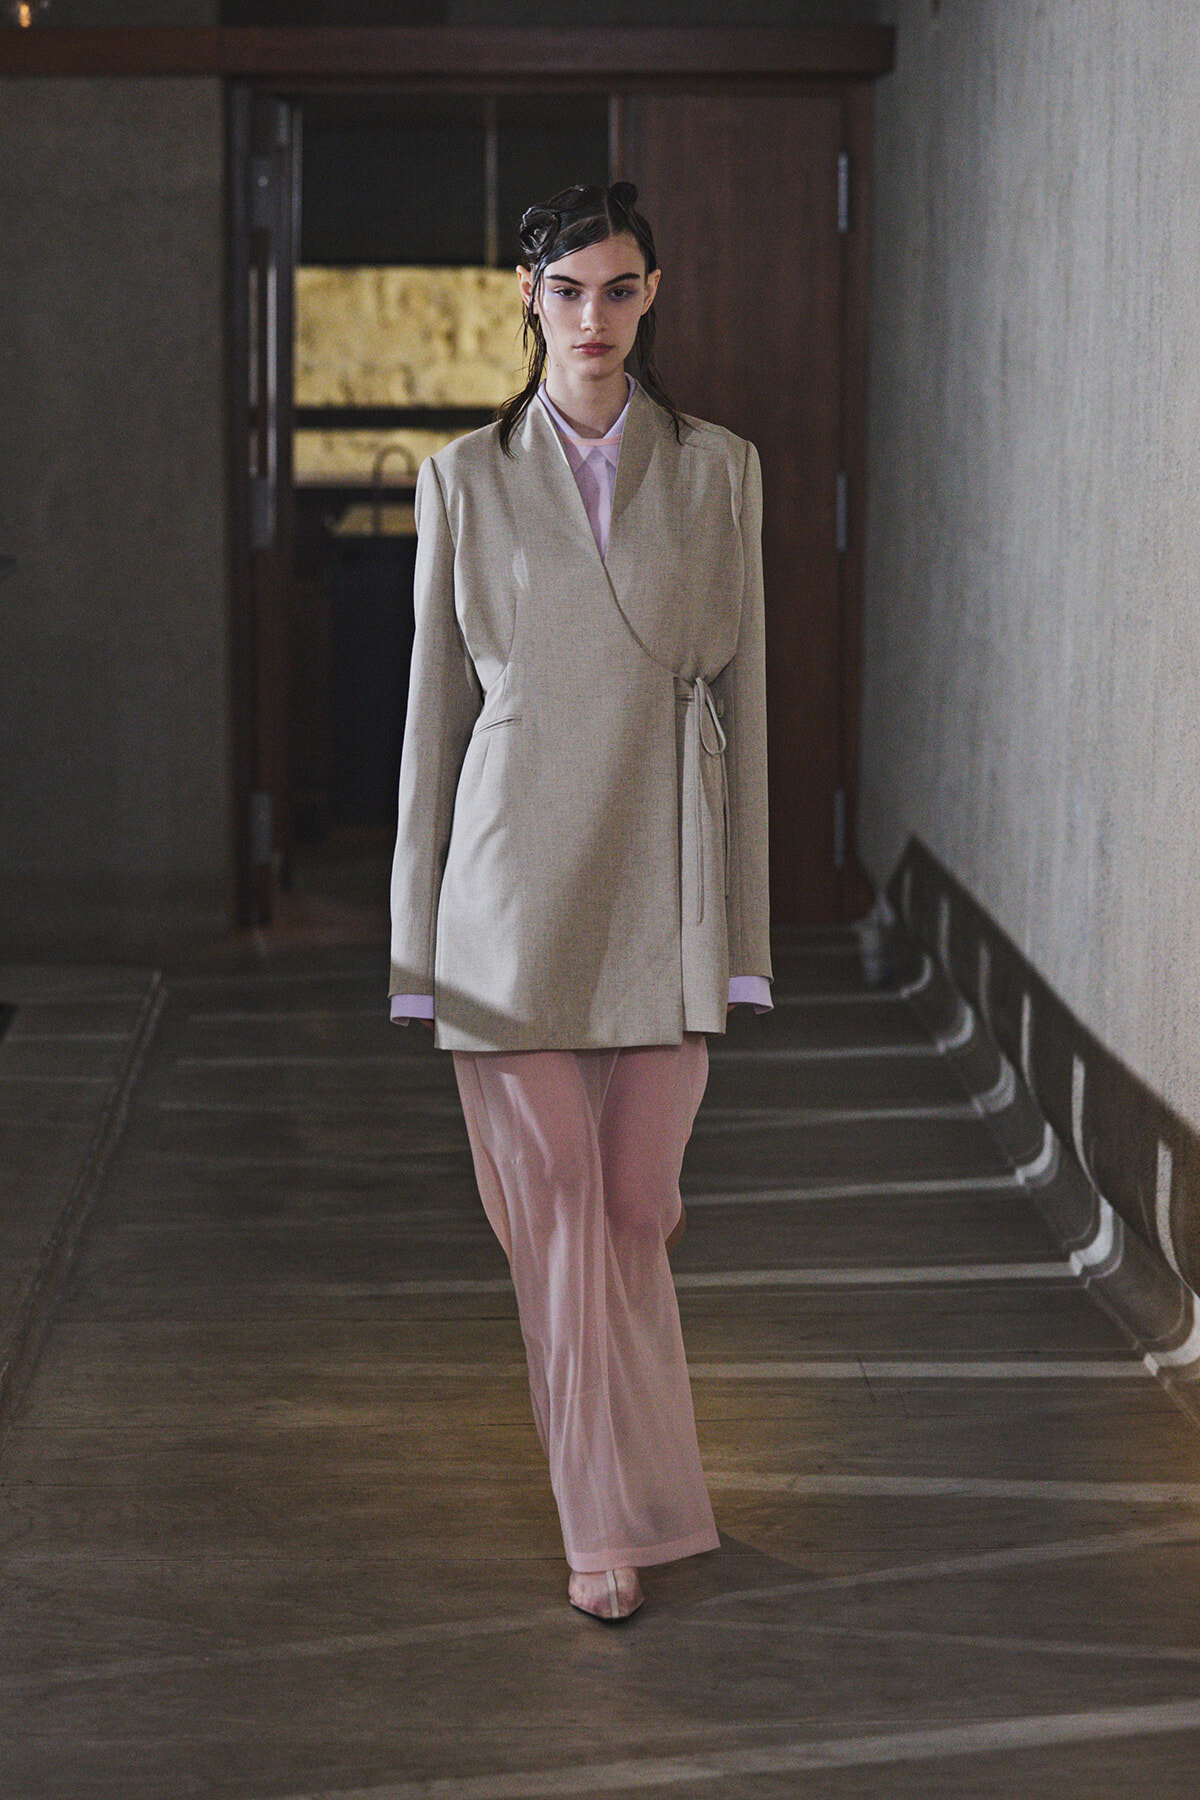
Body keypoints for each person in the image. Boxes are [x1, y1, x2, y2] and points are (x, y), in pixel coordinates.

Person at [389, 181, 771, 1622]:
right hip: (508, 898)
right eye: (567, 290)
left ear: (653, 295)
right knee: (557, 1210)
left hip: (665, 875)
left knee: (628, 1204)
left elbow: (744, 704)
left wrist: (742, 942)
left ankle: (620, 1454)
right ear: (528, 297)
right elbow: (433, 725)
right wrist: (414, 950)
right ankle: (604, 1525)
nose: (592, 317)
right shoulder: (462, 481)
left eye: (619, 290)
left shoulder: (722, 470)